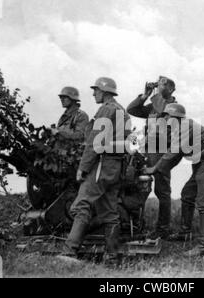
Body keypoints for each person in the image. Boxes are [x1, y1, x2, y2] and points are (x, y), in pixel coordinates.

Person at [58, 78, 131, 264]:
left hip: (102, 164)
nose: (93, 94)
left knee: (80, 205)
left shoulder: (106, 109)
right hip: (117, 166)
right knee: (110, 211)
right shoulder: (122, 111)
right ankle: (113, 256)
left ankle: (69, 252)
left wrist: (83, 168)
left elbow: (94, 142)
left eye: (96, 90)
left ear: (104, 92)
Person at [144, 103, 204, 256]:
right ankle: (185, 233)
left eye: (167, 117)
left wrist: (154, 168)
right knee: (188, 194)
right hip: (201, 161)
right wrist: (160, 168)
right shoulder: (179, 128)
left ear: (174, 117)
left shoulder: (184, 126)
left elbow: (173, 153)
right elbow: (176, 156)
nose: (165, 120)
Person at [127, 76, 178, 239]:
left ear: (170, 89)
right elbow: (132, 109)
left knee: (162, 190)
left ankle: (163, 229)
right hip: (148, 148)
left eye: (161, 83)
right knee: (140, 183)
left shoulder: (173, 106)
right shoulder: (154, 105)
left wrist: (155, 94)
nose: (157, 85)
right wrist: (145, 95)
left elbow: (163, 111)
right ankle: (134, 223)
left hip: (162, 149)